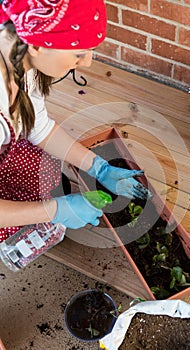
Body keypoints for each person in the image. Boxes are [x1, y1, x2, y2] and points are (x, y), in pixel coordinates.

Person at [0, 0, 151, 243]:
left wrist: (98, 167)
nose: (88, 62)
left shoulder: (20, 58)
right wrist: (53, 210)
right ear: (37, 46)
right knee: (21, 230)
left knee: (43, 162)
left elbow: (39, 129)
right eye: (79, 53)